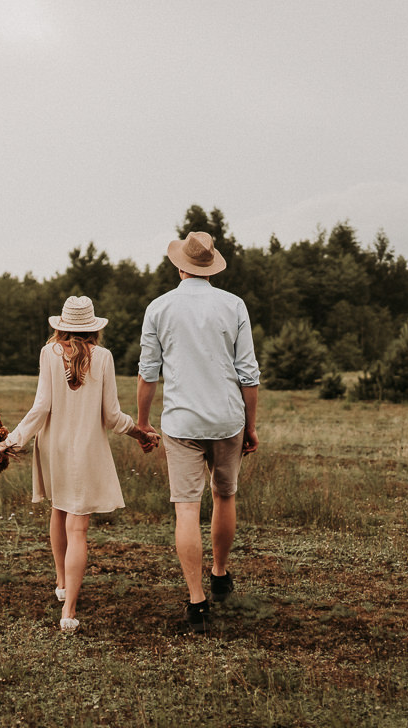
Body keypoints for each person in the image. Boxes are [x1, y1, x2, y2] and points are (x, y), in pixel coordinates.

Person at [0, 295, 158, 632]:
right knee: (78, 527)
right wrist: (139, 432)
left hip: (52, 447)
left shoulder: (49, 354)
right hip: (85, 451)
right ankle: (69, 610)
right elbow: (112, 416)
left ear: (61, 327)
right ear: (93, 329)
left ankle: (61, 583)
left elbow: (41, 407)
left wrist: (13, 439)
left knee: (59, 509)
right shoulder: (103, 358)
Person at [136, 230, 260, 633]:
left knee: (186, 508)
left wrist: (142, 421)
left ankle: (196, 600)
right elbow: (249, 375)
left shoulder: (159, 308)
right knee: (225, 495)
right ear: (211, 266)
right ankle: (220, 574)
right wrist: (251, 427)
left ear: (179, 265)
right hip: (227, 419)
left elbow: (148, 374)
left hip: (182, 422)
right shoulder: (234, 305)